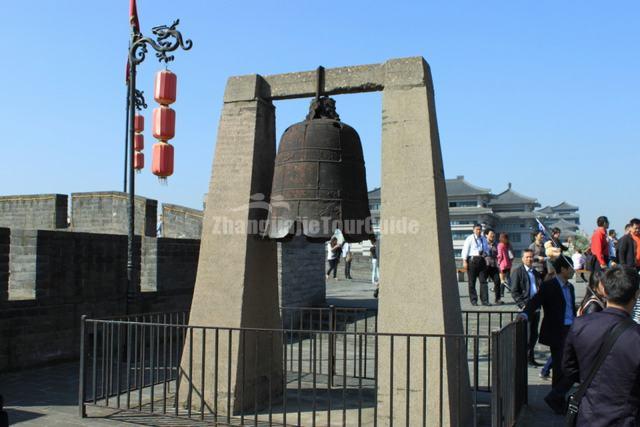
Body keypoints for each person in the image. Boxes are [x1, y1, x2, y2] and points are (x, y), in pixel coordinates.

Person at [562, 266, 640, 425]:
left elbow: (569, 368)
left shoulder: (580, 325)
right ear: (636, 295)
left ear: (604, 290)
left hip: (588, 414)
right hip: (626, 417)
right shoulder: (636, 335)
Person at [518, 256, 576, 414]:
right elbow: (535, 301)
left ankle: (556, 396)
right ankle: (557, 399)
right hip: (556, 331)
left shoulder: (570, 287)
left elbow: (570, 308)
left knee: (569, 366)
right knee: (560, 366)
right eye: (570, 267)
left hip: (571, 329)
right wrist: (525, 314)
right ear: (563, 269)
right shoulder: (549, 286)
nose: (573, 270)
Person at [511, 249, 543, 366]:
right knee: (527, 335)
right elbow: (514, 291)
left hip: (536, 308)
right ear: (523, 258)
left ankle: (531, 358)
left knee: (534, 335)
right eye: (527, 257)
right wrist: (523, 305)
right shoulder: (518, 272)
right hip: (526, 307)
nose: (529, 259)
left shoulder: (535, 272)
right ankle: (525, 359)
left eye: (531, 257)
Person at [462, 224, 490, 306]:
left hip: (481, 261)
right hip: (472, 261)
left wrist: (485, 253)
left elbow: (487, 250)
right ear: (473, 230)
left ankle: (485, 300)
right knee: (472, 282)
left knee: (483, 281)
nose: (479, 231)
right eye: (477, 229)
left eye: (480, 229)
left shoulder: (483, 239)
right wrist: (464, 261)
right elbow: (465, 250)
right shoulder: (469, 238)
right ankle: (473, 300)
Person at [484, 229, 503, 304]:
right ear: (486, 235)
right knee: (484, 283)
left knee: (497, 281)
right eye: (491, 233)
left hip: (494, 266)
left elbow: (498, 255)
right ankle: (485, 300)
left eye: (493, 234)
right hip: (485, 265)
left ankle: (497, 299)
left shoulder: (496, 244)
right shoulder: (483, 243)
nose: (493, 235)